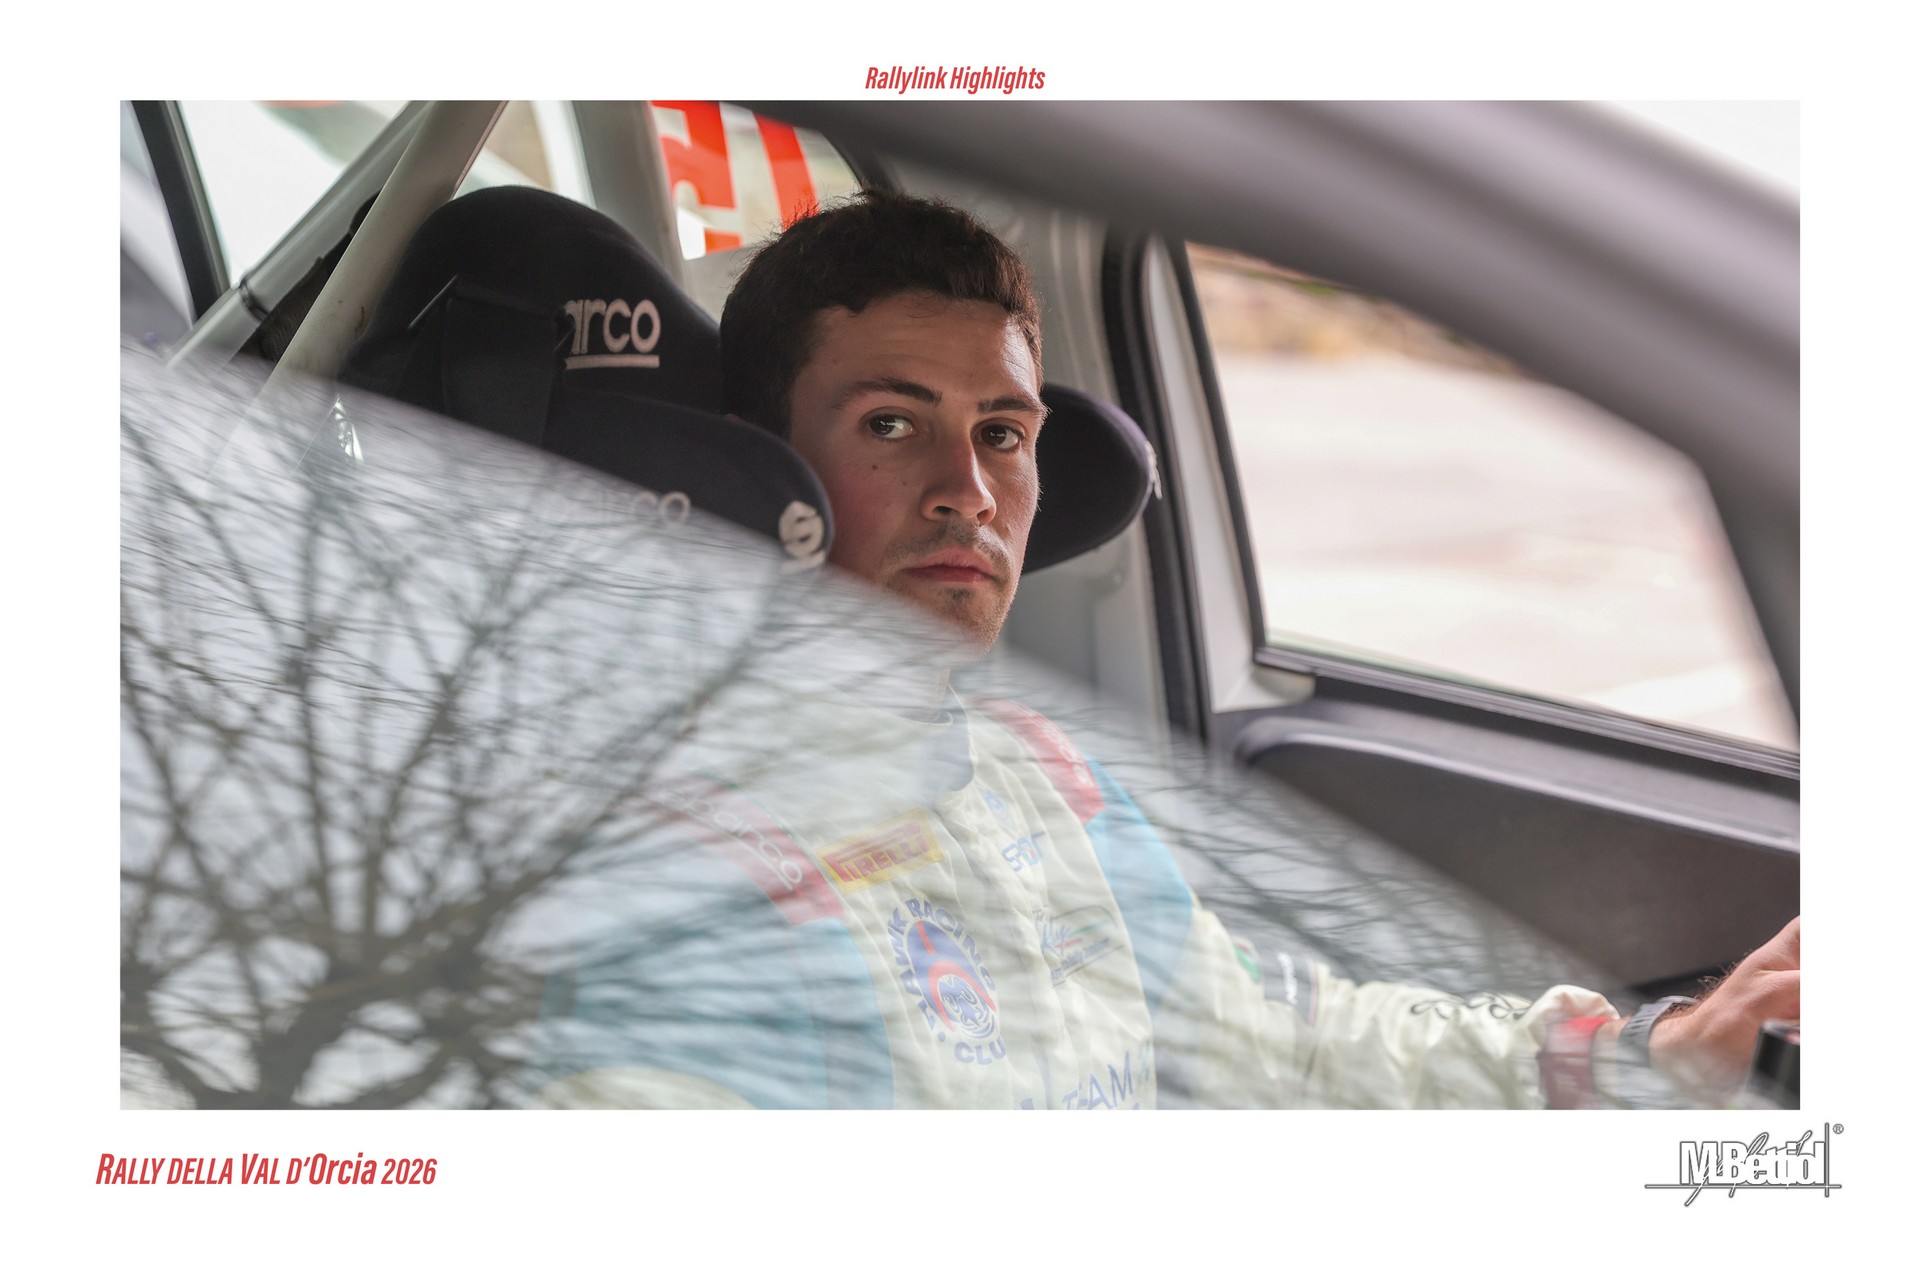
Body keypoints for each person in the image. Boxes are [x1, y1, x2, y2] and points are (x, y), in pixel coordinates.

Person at [533, 191, 1798, 1109]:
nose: (968, 490)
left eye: (1004, 434)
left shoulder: (1041, 776)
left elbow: (1280, 1044)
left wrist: (1645, 1056)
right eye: (891, 424)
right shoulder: (684, 882)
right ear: (762, 466)